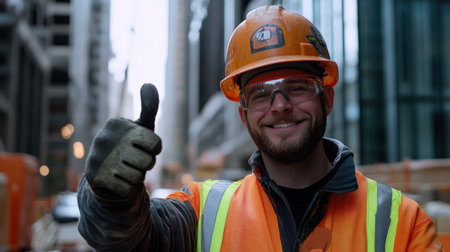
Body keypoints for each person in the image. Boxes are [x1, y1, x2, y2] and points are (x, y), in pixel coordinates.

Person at [77, 5, 443, 252]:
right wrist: (110, 197)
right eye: (262, 94)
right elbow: (127, 238)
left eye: (296, 87)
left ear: (327, 99)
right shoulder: (203, 211)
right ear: (244, 114)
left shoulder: (403, 225)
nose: (280, 105)